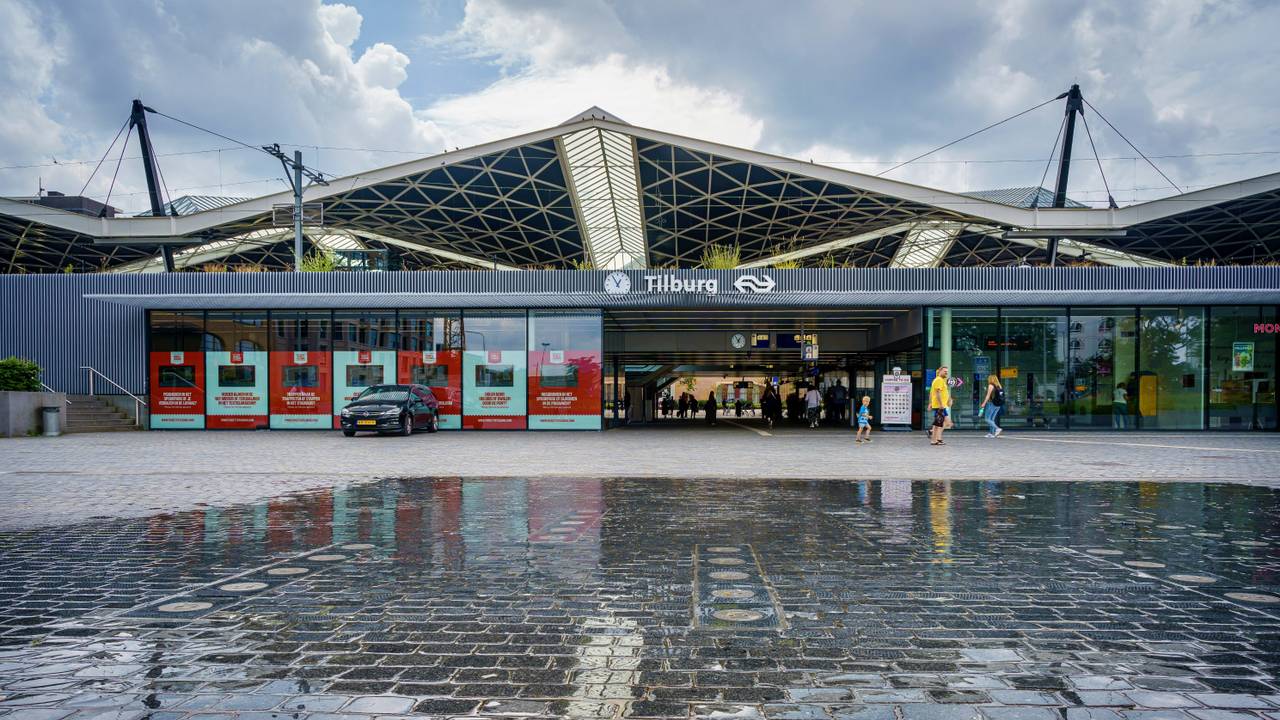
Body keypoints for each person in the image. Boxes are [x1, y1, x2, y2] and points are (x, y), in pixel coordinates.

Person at [929, 366, 951, 446]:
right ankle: (936, 439)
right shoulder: (939, 380)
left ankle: (935, 439)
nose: (946, 373)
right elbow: (937, 393)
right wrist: (941, 404)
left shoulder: (940, 380)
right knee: (945, 422)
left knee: (939, 423)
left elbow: (933, 393)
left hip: (941, 405)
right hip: (940, 406)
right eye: (945, 371)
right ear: (940, 371)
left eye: (947, 372)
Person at [978, 374, 1004, 438]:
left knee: (987, 419)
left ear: (991, 379)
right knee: (991, 419)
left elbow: (988, 396)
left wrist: (983, 403)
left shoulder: (991, 385)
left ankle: (997, 428)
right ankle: (992, 433)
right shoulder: (999, 386)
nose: (988, 379)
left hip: (991, 404)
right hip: (998, 405)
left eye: (988, 378)